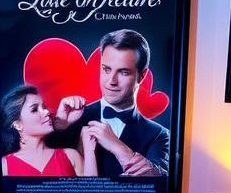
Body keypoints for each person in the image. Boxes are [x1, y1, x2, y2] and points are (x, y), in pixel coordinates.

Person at [52, 28, 170, 178]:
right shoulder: (73, 119)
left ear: (142, 76)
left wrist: (117, 146)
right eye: (106, 70)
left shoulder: (159, 135)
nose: (111, 81)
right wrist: (60, 125)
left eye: (123, 72)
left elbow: (158, 185)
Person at [0, 85, 97, 176]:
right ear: (17, 124)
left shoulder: (70, 156)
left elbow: (92, 191)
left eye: (44, 107)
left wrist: (89, 150)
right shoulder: (5, 166)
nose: (47, 112)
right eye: (34, 109)